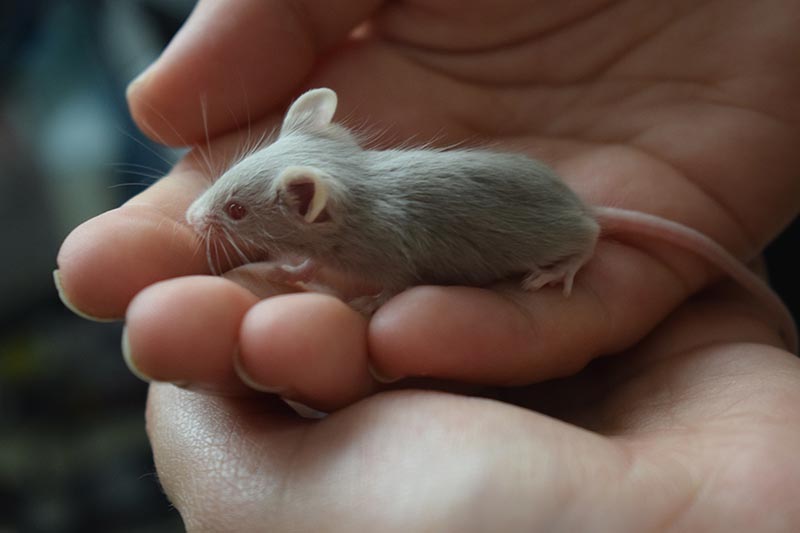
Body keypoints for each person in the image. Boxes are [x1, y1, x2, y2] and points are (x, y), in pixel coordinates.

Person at [56, 0, 800, 530]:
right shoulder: (333, 215)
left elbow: (396, 267)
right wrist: (308, 269)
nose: (213, 219)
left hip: (551, 220)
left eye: (241, 210)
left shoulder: (362, 232)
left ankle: (571, 249)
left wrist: (574, 248)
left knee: (536, 242)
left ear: (313, 205)